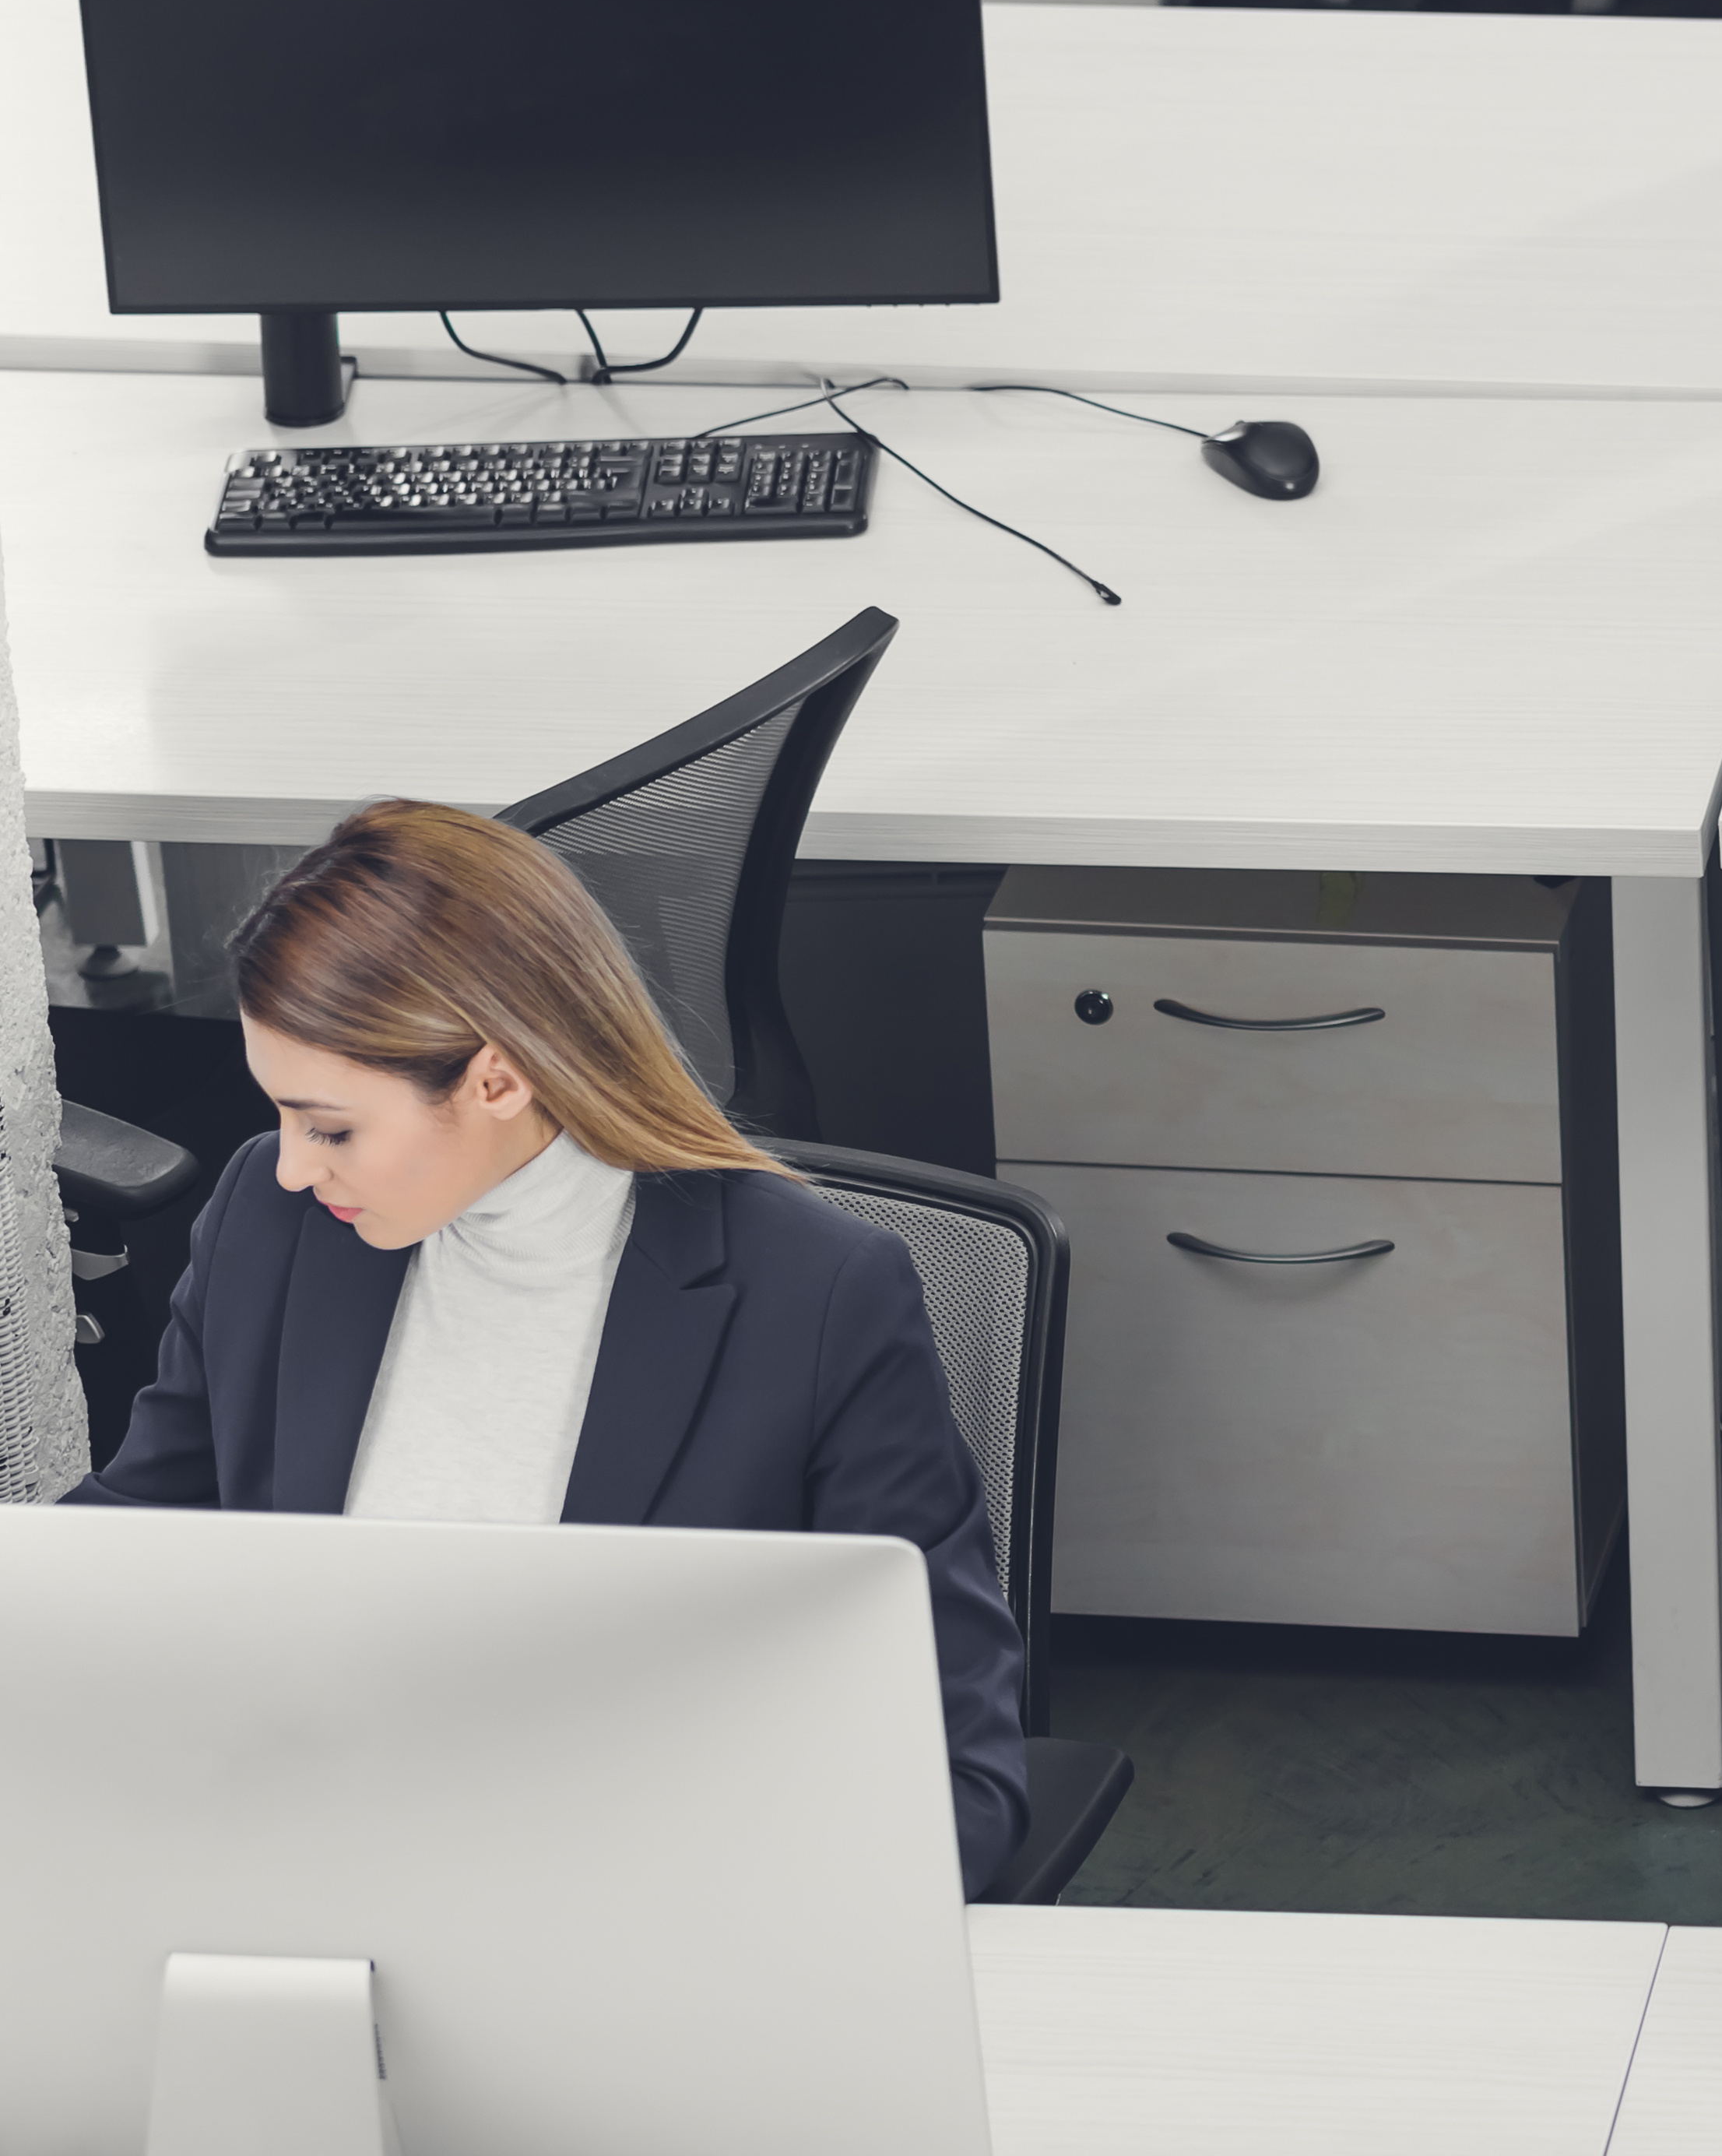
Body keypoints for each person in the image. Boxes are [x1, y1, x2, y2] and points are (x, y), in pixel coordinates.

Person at [72, 802, 1035, 1892]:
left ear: (497, 1078)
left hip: (628, 1904)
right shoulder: (271, 1217)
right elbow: (139, 1538)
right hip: (309, 1869)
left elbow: (959, 1784)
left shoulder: (814, 1297)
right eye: (284, 1116)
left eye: (331, 1127)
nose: (291, 1165)